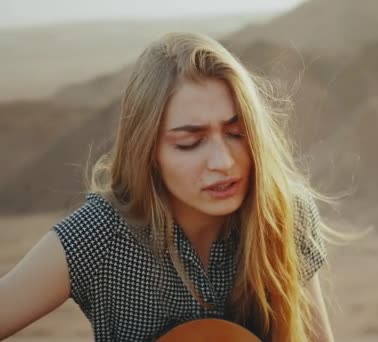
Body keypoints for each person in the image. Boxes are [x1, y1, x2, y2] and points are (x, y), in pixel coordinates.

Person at [0, 32, 334, 341]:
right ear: (148, 151)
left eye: (237, 133)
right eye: (190, 142)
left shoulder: (285, 213)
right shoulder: (100, 234)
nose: (223, 162)